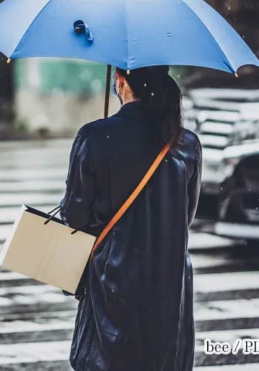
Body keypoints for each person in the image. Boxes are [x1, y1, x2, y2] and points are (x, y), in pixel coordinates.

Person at [60, 65, 202, 371]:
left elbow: (75, 215)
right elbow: (185, 216)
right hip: (169, 279)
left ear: (120, 80)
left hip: (113, 276)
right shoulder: (185, 142)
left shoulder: (95, 136)